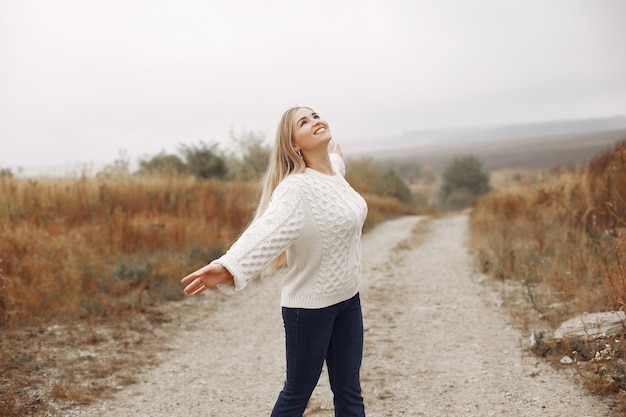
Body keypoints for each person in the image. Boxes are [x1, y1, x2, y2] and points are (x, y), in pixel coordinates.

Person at [181, 106, 368, 416]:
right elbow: (266, 232)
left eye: (316, 115)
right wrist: (228, 265)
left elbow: (332, 171)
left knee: (349, 391)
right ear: (294, 144)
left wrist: (335, 157)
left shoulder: (333, 172)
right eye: (304, 122)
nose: (315, 122)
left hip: (348, 301)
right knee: (297, 395)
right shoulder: (296, 189)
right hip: (309, 310)